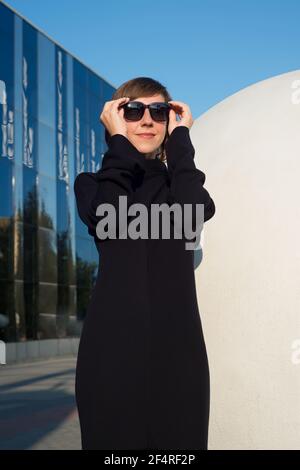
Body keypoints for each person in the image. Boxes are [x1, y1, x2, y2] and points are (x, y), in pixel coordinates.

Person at [74, 76, 216, 450]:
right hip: (111, 357)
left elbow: (194, 213)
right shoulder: (93, 185)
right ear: (115, 119)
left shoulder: (179, 188)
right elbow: (110, 217)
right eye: (133, 111)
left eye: (159, 111)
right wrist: (118, 143)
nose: (148, 120)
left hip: (180, 360)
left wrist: (181, 140)